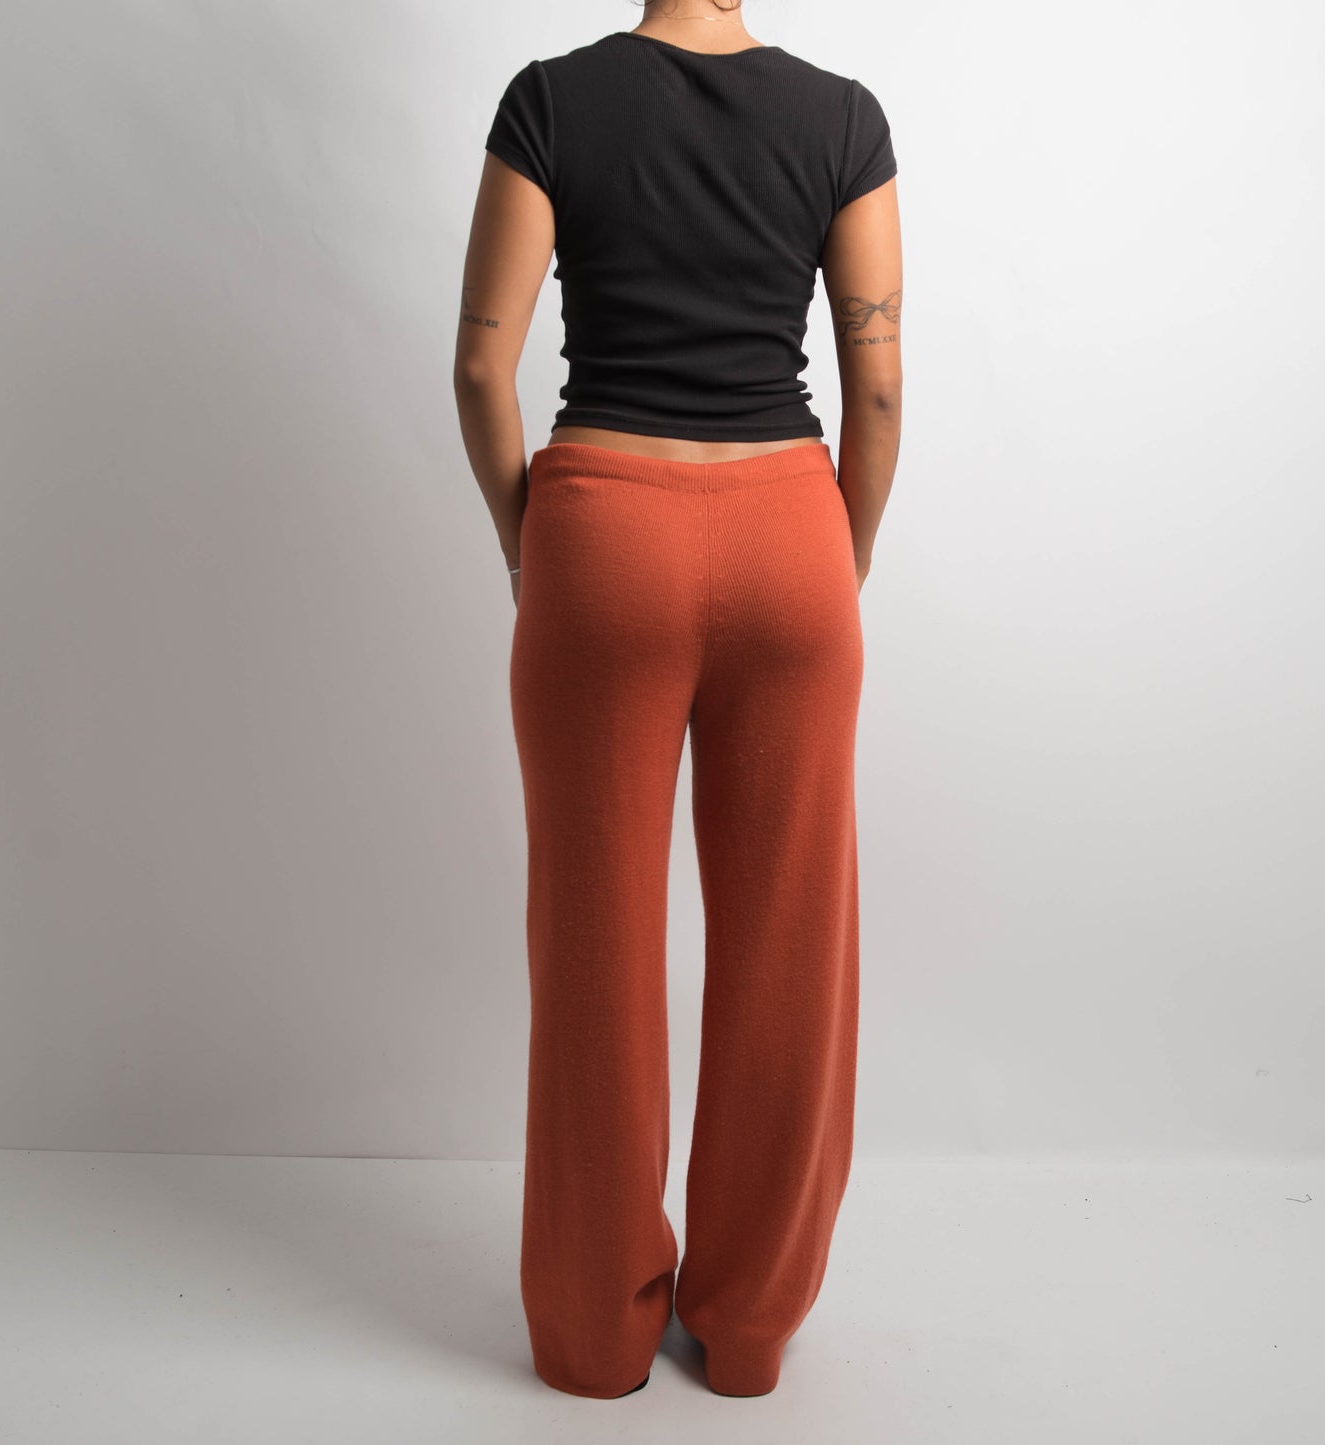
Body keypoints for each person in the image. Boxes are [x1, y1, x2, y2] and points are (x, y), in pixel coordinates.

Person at [454, 0, 901, 1402]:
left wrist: (531, 548)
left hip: (602, 535)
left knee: (591, 942)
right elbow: (878, 389)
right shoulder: (842, 119)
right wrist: (837, 561)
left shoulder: (549, 100)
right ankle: (750, 1329)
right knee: (789, 947)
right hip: (789, 534)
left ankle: (592, 1337)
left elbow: (479, 366)